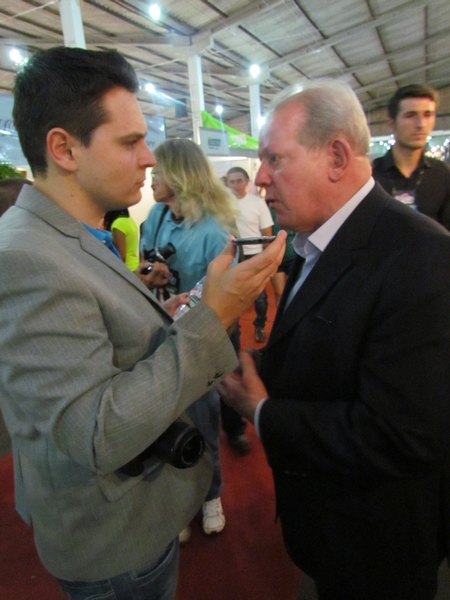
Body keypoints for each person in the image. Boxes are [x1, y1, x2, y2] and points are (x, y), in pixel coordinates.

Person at [0, 46, 286, 600]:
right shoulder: (25, 258)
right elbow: (96, 432)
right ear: (64, 149)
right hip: (113, 536)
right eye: (130, 142)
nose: (149, 158)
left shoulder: (72, 233)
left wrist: (164, 315)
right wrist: (214, 315)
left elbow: (96, 330)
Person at [219, 80, 450, 600]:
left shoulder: (423, 257)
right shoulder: (316, 239)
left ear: (337, 157)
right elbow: (332, 348)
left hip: (378, 544)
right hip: (331, 525)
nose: (260, 177)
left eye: (275, 158)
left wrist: (261, 411)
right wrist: (257, 363)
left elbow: (402, 435)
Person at [140, 138, 238, 536]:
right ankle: (179, 504)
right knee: (163, 426)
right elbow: (145, 264)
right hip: (158, 335)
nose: (150, 178)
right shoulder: (155, 216)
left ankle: (211, 494)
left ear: (180, 176)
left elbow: (227, 300)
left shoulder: (215, 233)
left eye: (158, 171)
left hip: (201, 343)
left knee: (203, 422)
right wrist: (148, 275)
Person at [372, 84, 450, 229]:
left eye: (427, 115)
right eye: (410, 115)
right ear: (391, 123)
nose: (421, 124)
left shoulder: (443, 174)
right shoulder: (371, 175)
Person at [226, 166, 274, 343]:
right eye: (232, 181)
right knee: (232, 295)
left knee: (259, 296)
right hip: (233, 255)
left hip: (254, 254)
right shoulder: (224, 205)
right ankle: (234, 331)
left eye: (239, 180)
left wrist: (269, 259)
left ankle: (259, 325)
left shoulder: (257, 203)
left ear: (247, 182)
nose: (236, 185)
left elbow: (267, 232)